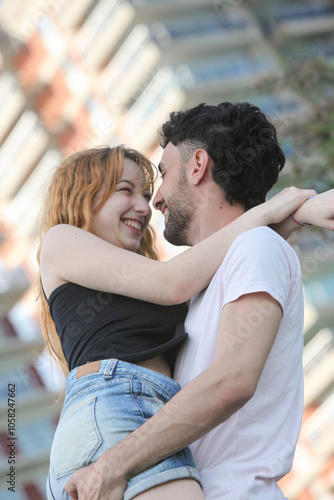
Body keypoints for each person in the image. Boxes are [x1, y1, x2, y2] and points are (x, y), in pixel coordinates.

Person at [62, 103, 334, 500]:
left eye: (164, 173)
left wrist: (112, 465)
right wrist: (293, 215)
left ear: (197, 166)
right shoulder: (215, 275)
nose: (154, 202)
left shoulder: (257, 247)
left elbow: (232, 380)